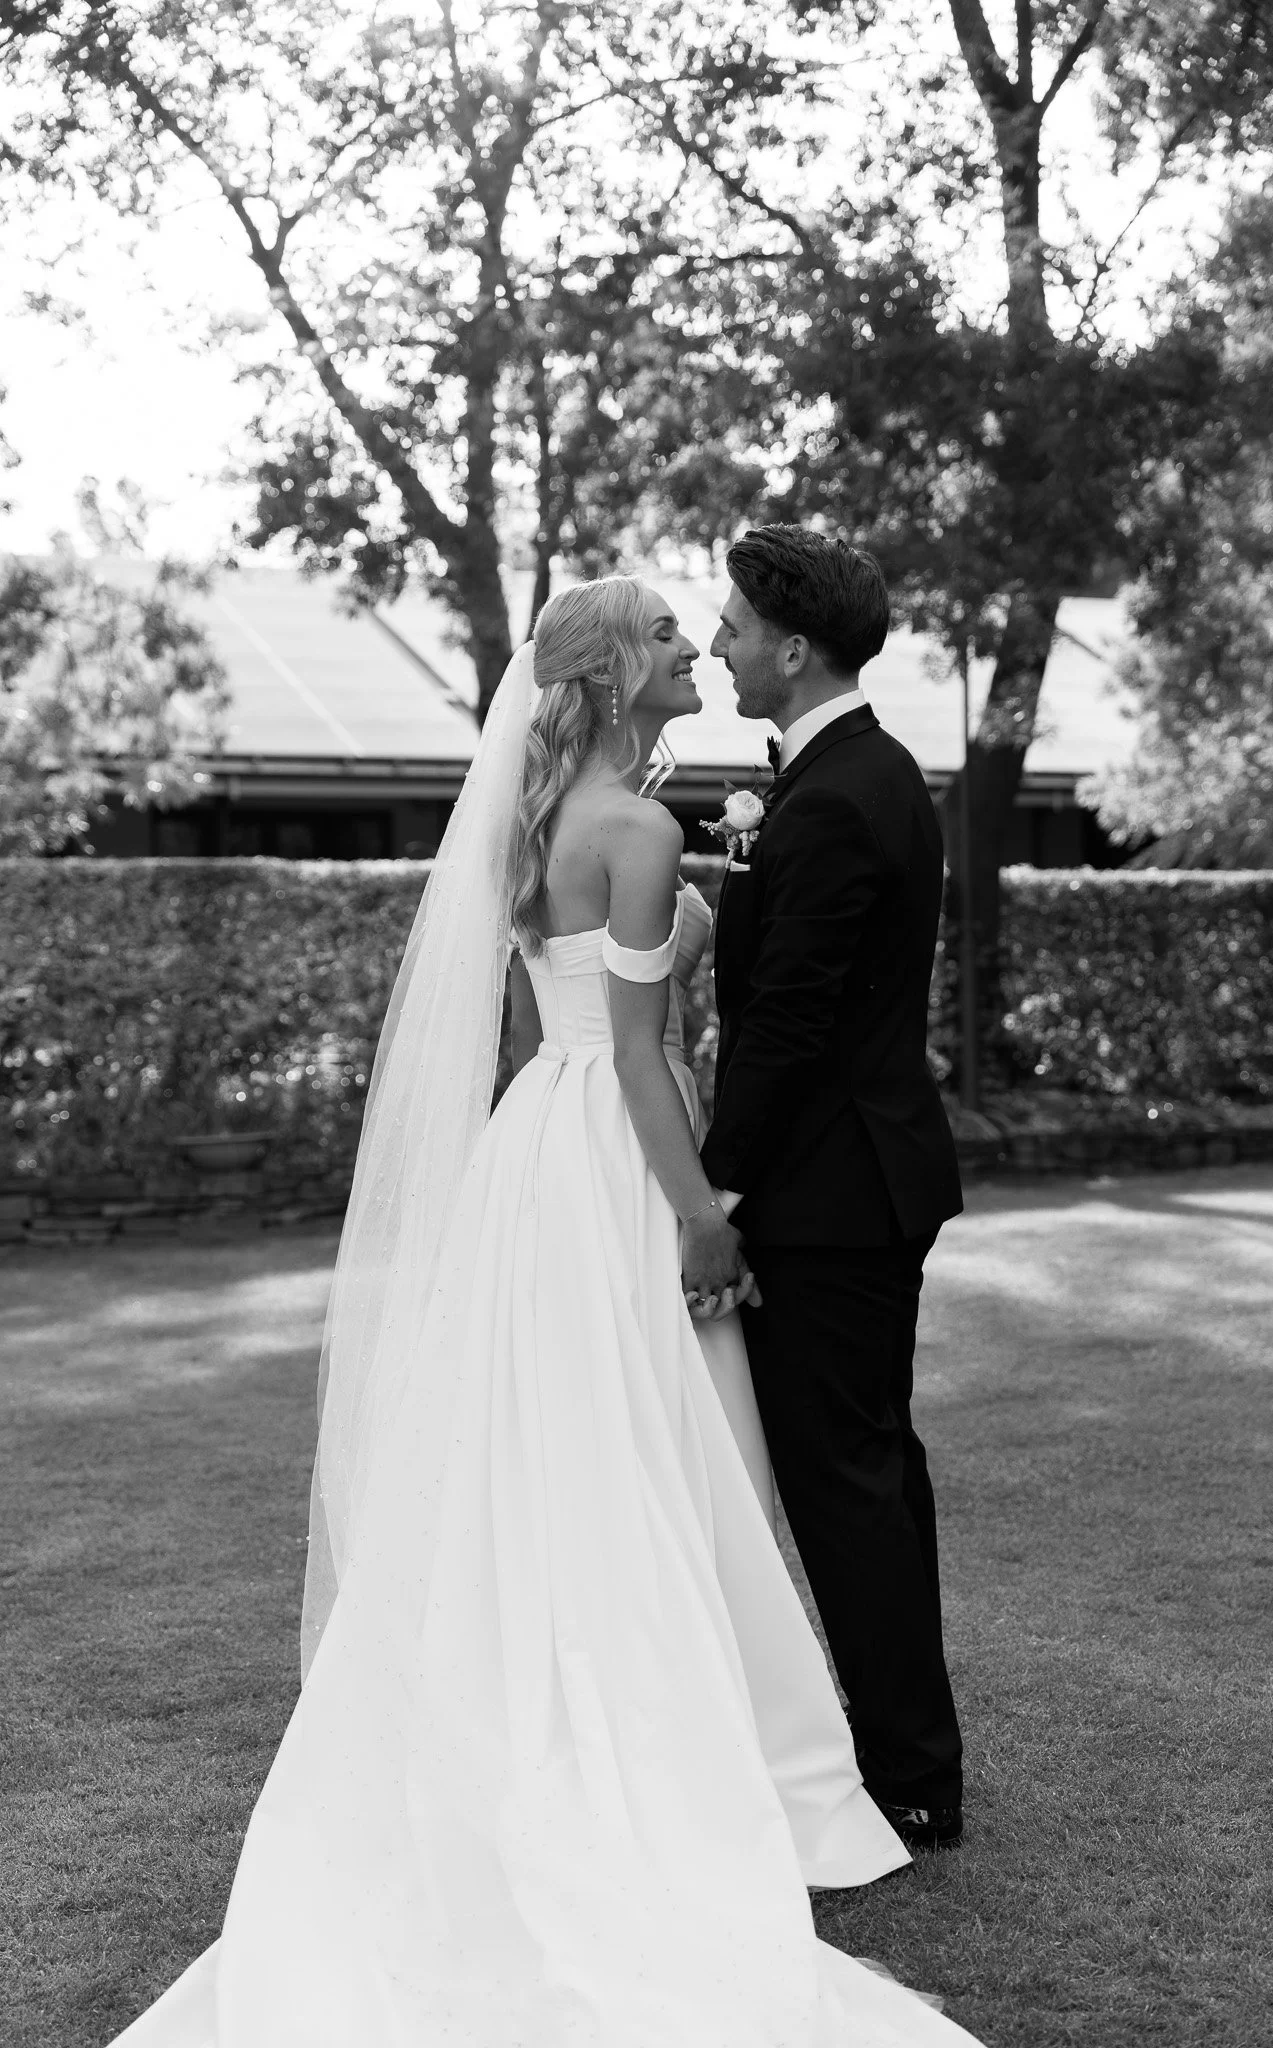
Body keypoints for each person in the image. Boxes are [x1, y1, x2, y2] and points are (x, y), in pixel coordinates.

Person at [105, 575, 981, 2047]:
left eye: (699, 629)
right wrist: (700, 1213)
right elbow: (638, 1057)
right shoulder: (637, 831)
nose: (693, 645)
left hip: (536, 1154)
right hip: (624, 1153)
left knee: (551, 1441)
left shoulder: (529, 823)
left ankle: (546, 1714)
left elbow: (540, 1030)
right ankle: (709, 1748)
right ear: (611, 673)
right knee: (671, 1446)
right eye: (665, 635)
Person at [703, 527, 966, 1850]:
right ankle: (905, 1750)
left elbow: (790, 1027)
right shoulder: (853, 775)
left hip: (830, 1196)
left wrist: (713, 1194)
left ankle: (910, 1775)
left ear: (793, 647)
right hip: (859, 1181)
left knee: (846, 1481)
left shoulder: (837, 798)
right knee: (871, 1470)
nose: (718, 647)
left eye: (735, 627)